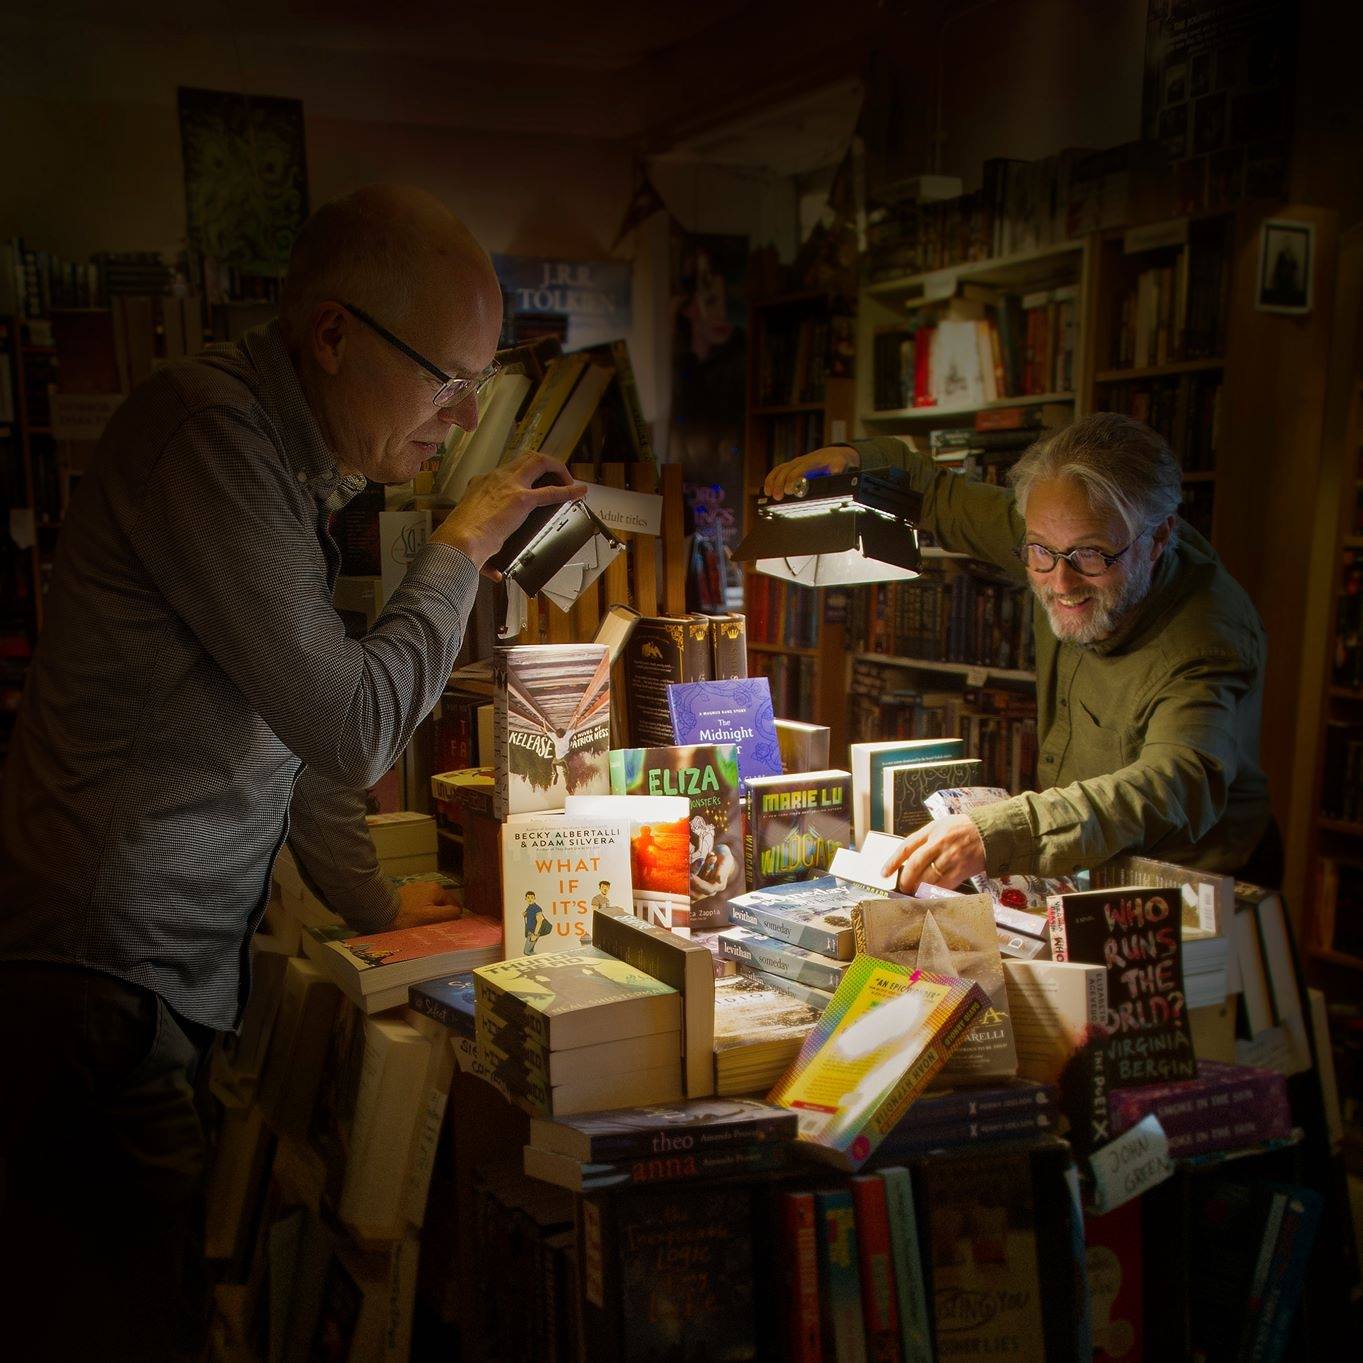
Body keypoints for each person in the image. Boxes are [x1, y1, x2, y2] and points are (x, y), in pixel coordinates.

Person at [0, 185, 584, 1361]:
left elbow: (294, 735)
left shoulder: (286, 468)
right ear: (331, 336)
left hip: (137, 980)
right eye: (444, 379)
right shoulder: (208, 436)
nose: (459, 417)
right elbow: (350, 726)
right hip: (92, 986)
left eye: (478, 384)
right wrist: (462, 548)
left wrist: (377, 910)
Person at [763, 412, 1274, 894]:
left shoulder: (1206, 641)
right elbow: (935, 492)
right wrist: (853, 461)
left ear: (1158, 538)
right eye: (1040, 553)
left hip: (1190, 892)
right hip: (1083, 867)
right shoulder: (1057, 528)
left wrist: (1001, 832)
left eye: (1092, 556)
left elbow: (1173, 784)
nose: (1061, 582)